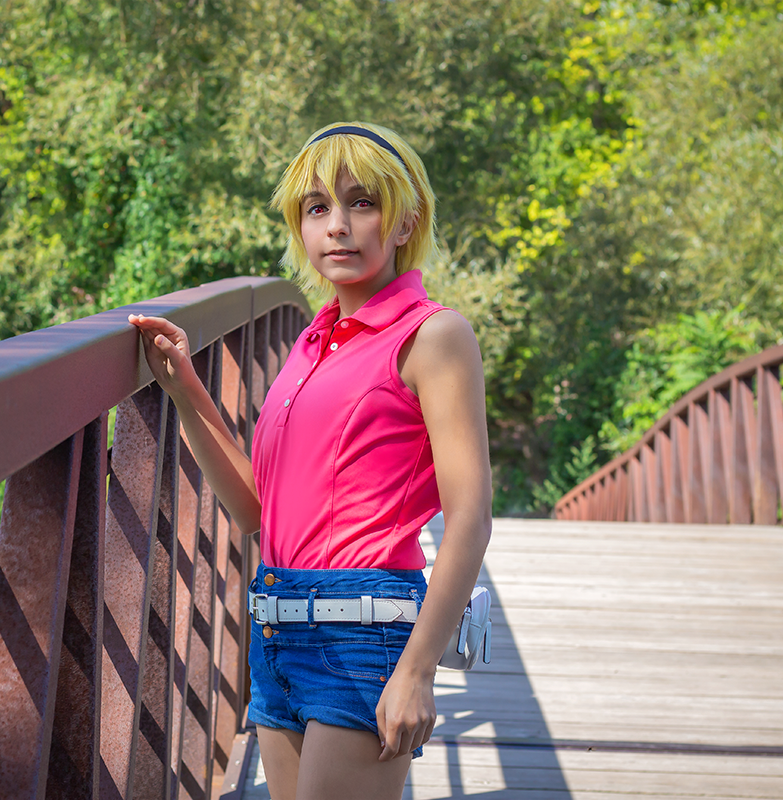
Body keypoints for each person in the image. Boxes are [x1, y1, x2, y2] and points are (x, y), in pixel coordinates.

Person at [128, 122, 492, 800]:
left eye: (363, 203)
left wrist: (417, 671)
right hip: (276, 630)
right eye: (317, 207)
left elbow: (470, 515)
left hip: (364, 634)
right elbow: (255, 511)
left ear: (406, 219)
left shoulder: (433, 335)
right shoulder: (312, 342)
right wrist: (184, 387)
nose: (338, 226)